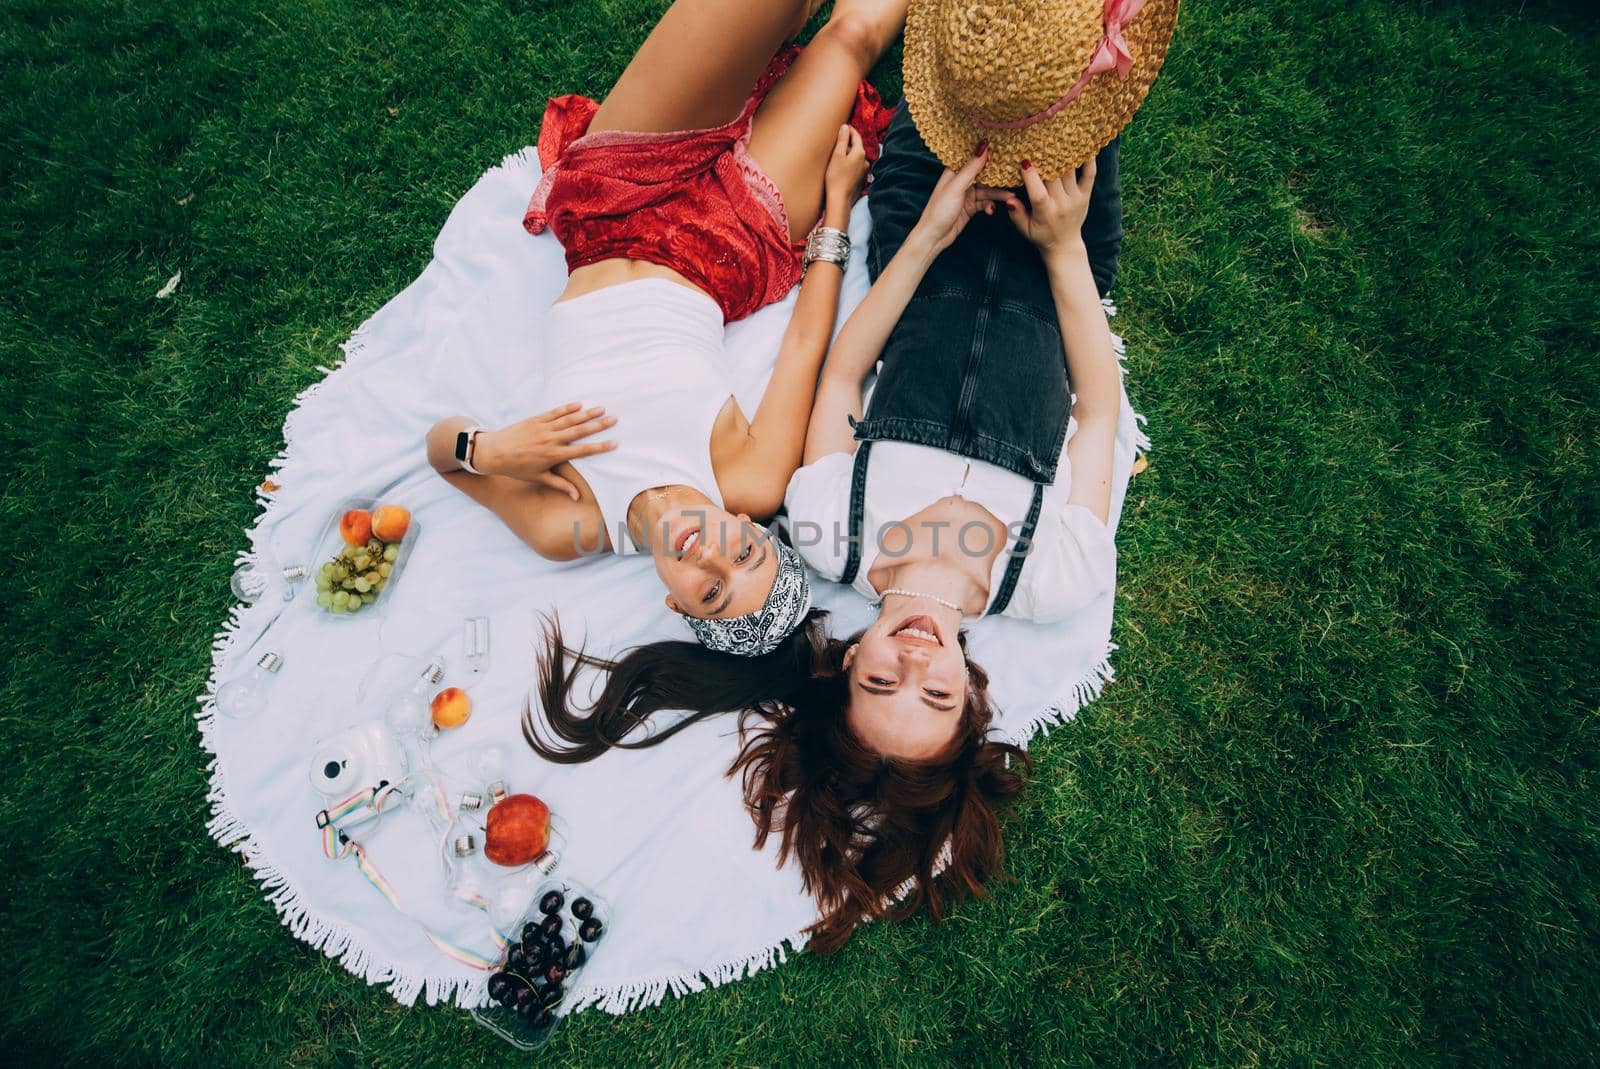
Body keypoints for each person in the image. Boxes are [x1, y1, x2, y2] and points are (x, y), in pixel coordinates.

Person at [529, 0, 1177, 953]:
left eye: (882, 682)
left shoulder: (832, 530)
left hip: (926, 213)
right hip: (1060, 265)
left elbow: (839, 371)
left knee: (977, 43)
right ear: (974, 694)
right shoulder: (1054, 582)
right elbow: (1099, 415)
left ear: (844, 671)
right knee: (1077, 61)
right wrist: (1066, 248)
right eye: (937, 694)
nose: (914, 661)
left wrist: (924, 232)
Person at [426, 0, 907, 656]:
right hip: (734, 233)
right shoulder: (748, 483)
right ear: (750, 527)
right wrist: (839, 206)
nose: (711, 556)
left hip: (611, 200)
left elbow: (441, 452)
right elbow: (802, 345)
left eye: (709, 590)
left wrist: (490, 450)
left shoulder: (572, 518)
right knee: (850, 38)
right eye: (744, 553)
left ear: (672, 602)